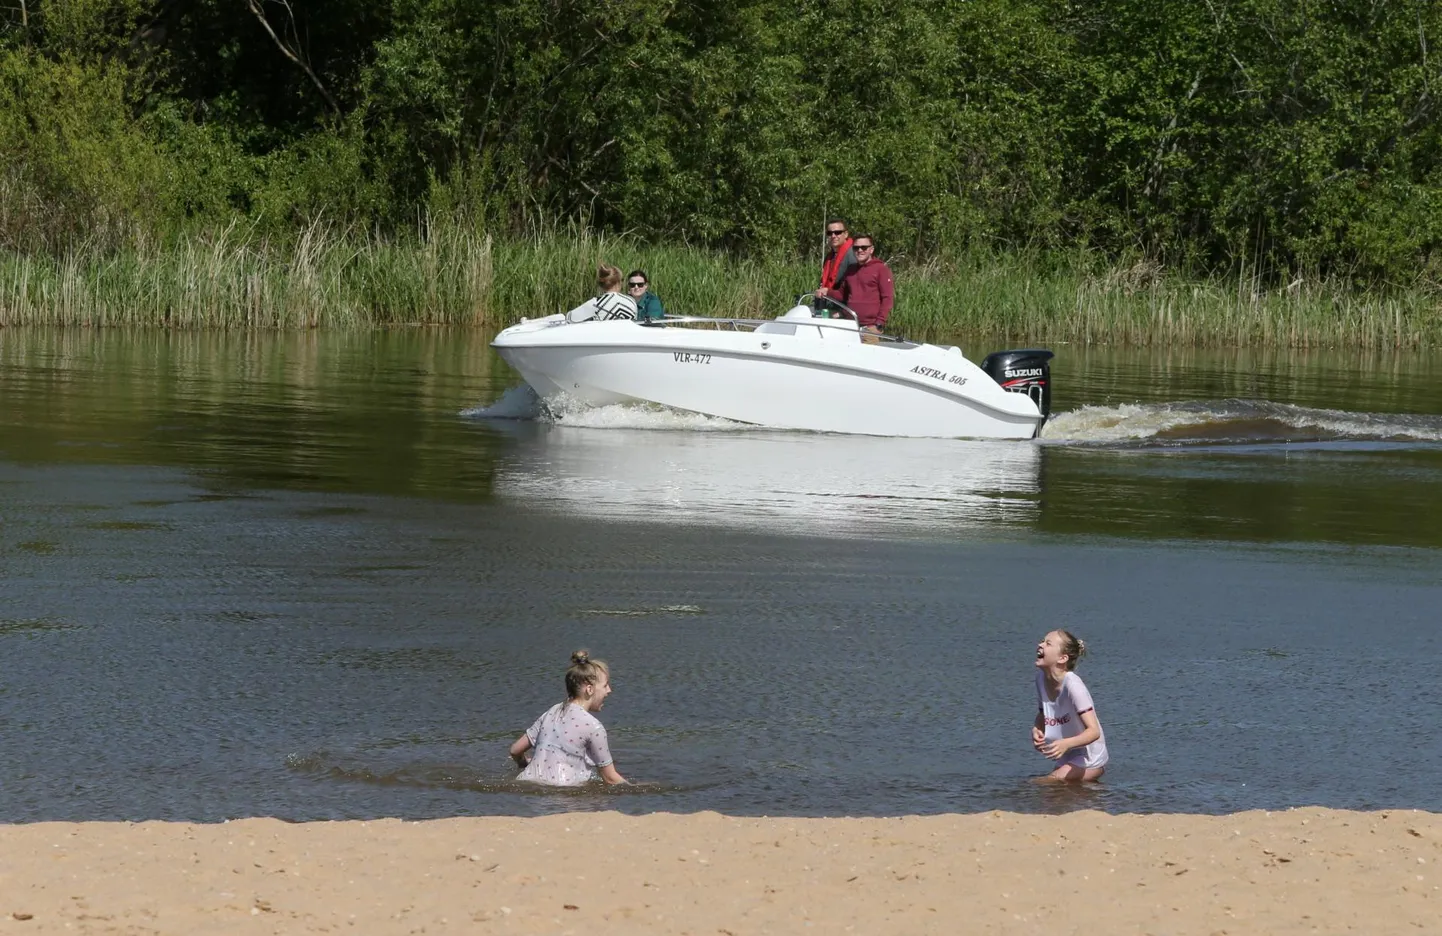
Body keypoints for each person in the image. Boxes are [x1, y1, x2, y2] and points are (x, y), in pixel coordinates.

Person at [510, 649, 628, 786]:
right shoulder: (593, 727)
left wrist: (523, 764)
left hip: (528, 783)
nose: (609, 690)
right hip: (562, 789)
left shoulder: (551, 711)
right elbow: (610, 778)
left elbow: (515, 750)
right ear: (589, 690)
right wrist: (638, 790)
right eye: (605, 685)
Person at [1031, 629, 1109, 782]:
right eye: (1042, 641)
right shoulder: (1040, 679)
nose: (1040, 645)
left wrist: (1066, 744)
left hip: (1090, 758)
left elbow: (1094, 732)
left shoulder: (1073, 685)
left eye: (1048, 643)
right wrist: (1037, 729)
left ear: (1062, 658)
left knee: (1046, 783)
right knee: (1056, 795)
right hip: (1068, 753)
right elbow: (1043, 713)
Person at [837, 234, 893, 341]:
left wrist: (879, 324)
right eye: (856, 248)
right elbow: (841, 294)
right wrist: (826, 291)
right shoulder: (851, 269)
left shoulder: (881, 269)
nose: (860, 250)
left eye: (864, 247)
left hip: (869, 328)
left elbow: (887, 299)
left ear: (871, 250)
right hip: (850, 326)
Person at [565, 264, 638, 323]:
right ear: (619, 282)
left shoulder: (595, 303)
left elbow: (569, 318)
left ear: (601, 285)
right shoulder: (631, 301)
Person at [815, 219, 858, 316]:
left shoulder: (853, 255)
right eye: (830, 233)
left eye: (837, 232)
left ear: (846, 234)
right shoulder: (830, 257)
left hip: (846, 308)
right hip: (832, 304)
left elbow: (855, 288)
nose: (833, 236)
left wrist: (843, 312)